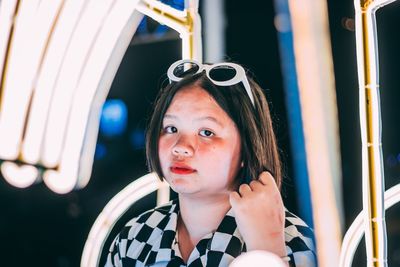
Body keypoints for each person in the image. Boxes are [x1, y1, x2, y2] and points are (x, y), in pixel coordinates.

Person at [105, 59, 316, 267]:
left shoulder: (295, 242)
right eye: (171, 128)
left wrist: (267, 249)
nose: (180, 147)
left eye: (206, 132)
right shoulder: (135, 237)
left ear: (248, 146)